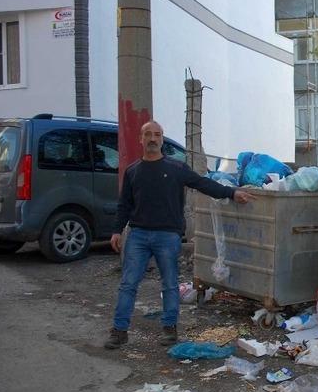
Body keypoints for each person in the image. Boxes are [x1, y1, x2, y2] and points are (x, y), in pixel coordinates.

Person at [104, 121, 256, 349]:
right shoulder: (133, 171)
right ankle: (119, 331)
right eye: (148, 134)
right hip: (138, 235)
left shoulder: (176, 168)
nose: (153, 139)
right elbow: (124, 204)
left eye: (157, 134)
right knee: (128, 284)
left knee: (169, 284)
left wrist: (232, 193)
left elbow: (203, 183)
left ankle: (170, 328)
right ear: (141, 139)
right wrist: (117, 230)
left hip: (168, 235)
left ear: (162, 139)